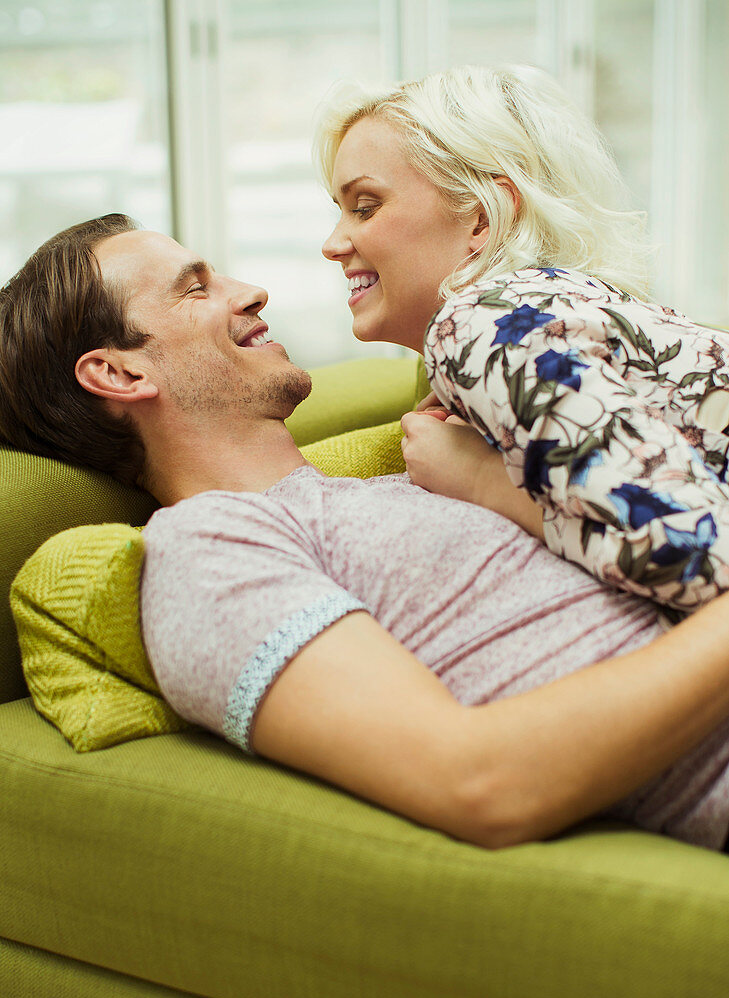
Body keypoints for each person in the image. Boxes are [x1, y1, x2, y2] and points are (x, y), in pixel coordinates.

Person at [3, 215, 729, 854]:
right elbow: (481, 783)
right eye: (194, 289)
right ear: (117, 372)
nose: (247, 290)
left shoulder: (422, 471)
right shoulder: (207, 552)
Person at [316, 64, 729, 614]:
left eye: (365, 207)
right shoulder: (553, 303)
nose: (333, 243)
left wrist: (482, 480)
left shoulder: (485, 319)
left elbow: (699, 555)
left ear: (482, 218)